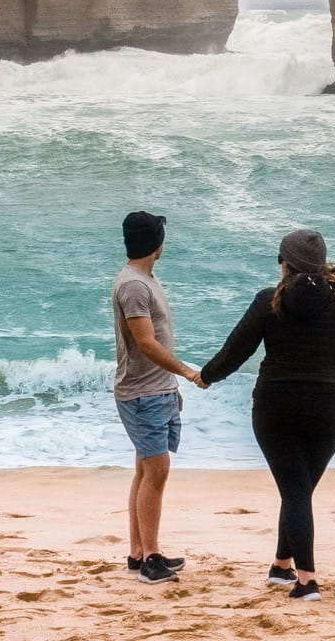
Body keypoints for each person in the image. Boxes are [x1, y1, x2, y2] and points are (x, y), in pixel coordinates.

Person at [200, 227, 335, 602]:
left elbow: (235, 350)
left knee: (295, 490)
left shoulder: (267, 301)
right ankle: (281, 566)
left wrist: (206, 376)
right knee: (298, 491)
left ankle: (306, 581)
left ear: (283, 263)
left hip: (276, 409)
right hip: (327, 412)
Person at [112, 210, 204, 585]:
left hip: (156, 390)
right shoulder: (134, 285)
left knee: (145, 472)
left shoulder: (144, 278)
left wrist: (171, 384)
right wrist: (185, 371)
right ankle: (150, 560)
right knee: (157, 472)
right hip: (142, 394)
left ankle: (139, 552)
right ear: (156, 243)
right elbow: (146, 343)